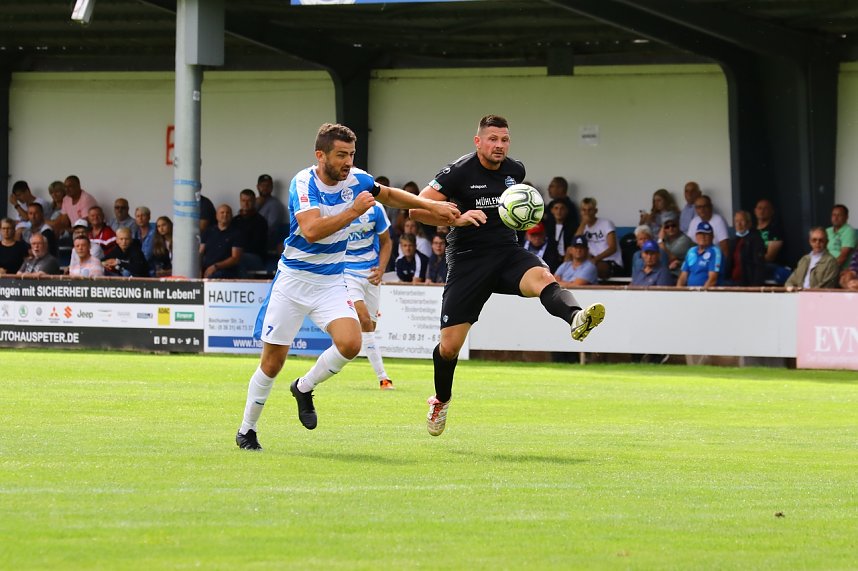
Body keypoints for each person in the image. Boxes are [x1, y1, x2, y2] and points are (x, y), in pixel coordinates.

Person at [235, 122, 458, 451]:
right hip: (293, 282)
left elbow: (390, 193)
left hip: (330, 282)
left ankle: (304, 387)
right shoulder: (303, 182)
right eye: (341, 155)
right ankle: (247, 430)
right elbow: (311, 231)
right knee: (272, 363)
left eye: (351, 154)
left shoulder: (357, 179)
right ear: (320, 155)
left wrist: (431, 205)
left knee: (351, 343)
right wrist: (353, 211)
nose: (348, 162)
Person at [408, 114, 605, 437]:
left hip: (506, 252)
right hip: (468, 261)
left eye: (504, 140)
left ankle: (576, 317)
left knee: (543, 277)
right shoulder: (458, 172)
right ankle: (441, 400)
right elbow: (416, 210)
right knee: (449, 347)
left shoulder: (516, 171)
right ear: (478, 141)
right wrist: (456, 220)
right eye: (493, 139)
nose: (499, 146)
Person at [344, 199, 395, 389]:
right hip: (347, 272)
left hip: (372, 273)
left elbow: (387, 241)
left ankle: (339, 351)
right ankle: (383, 378)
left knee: (370, 327)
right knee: (364, 319)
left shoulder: (375, 208)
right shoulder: (337, 208)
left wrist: (381, 270)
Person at [577, 197, 623, 280]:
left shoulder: (606, 223)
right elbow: (575, 243)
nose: (587, 213)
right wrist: (583, 223)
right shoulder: (583, 227)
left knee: (591, 269)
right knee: (570, 251)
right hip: (592, 261)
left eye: (590, 210)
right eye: (584, 210)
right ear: (581, 212)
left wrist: (595, 259)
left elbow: (612, 248)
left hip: (610, 261)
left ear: (595, 211)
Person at [201, 204, 243, 279]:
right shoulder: (208, 231)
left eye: (228, 213)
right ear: (216, 216)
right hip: (207, 269)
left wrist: (215, 266)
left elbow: (235, 258)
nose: (225, 215)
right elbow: (200, 252)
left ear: (231, 216)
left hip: (226, 270)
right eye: (222, 212)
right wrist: (198, 269)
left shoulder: (236, 234)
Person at [725, 210, 765, 286]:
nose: (739, 224)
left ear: (749, 223)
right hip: (733, 283)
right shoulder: (733, 241)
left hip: (748, 284)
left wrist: (755, 287)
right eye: (736, 221)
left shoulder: (756, 240)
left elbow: (759, 265)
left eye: (742, 221)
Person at [233, 188, 269, 273]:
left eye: (249, 201)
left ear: (254, 201)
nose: (245, 203)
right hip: (236, 254)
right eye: (243, 200)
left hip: (255, 257)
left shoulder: (260, 221)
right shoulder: (234, 220)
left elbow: (256, 246)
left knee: (238, 258)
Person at [677, 221, 721, 289]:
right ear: (696, 236)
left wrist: (701, 295)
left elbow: (712, 279)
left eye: (706, 234)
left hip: (707, 294)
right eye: (700, 234)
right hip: (690, 293)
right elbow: (683, 276)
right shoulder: (691, 251)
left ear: (712, 236)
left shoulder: (714, 252)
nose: (703, 237)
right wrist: (678, 292)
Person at [686, 194, 729, 261]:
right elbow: (688, 243)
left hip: (714, 257)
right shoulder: (694, 221)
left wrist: (723, 265)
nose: (702, 209)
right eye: (699, 207)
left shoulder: (718, 220)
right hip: (697, 258)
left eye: (704, 206)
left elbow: (724, 246)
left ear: (710, 207)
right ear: (696, 209)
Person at [255, 174, 287, 252]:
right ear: (257, 187)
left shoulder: (275, 204)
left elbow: (270, 228)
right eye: (262, 185)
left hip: (265, 242)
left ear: (272, 188)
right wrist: (256, 205)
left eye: (268, 185)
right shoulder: (253, 202)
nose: (265, 188)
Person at [658, 213, 693, 278]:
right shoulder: (665, 240)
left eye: (673, 225)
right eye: (667, 227)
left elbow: (670, 257)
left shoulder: (685, 240)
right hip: (667, 273)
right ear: (663, 229)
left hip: (679, 275)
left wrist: (660, 241)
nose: (670, 228)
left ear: (678, 225)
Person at [544, 198, 577, 266]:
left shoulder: (573, 227)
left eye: (562, 208)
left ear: (567, 211)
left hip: (567, 260)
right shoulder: (546, 226)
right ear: (552, 210)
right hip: (549, 259)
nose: (559, 211)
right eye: (556, 208)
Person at [826, 204, 855, 270]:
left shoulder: (849, 231)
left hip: (838, 269)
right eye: (833, 215)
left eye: (839, 215)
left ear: (846, 217)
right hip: (825, 264)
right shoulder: (827, 231)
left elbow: (843, 257)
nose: (835, 218)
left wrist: (828, 269)